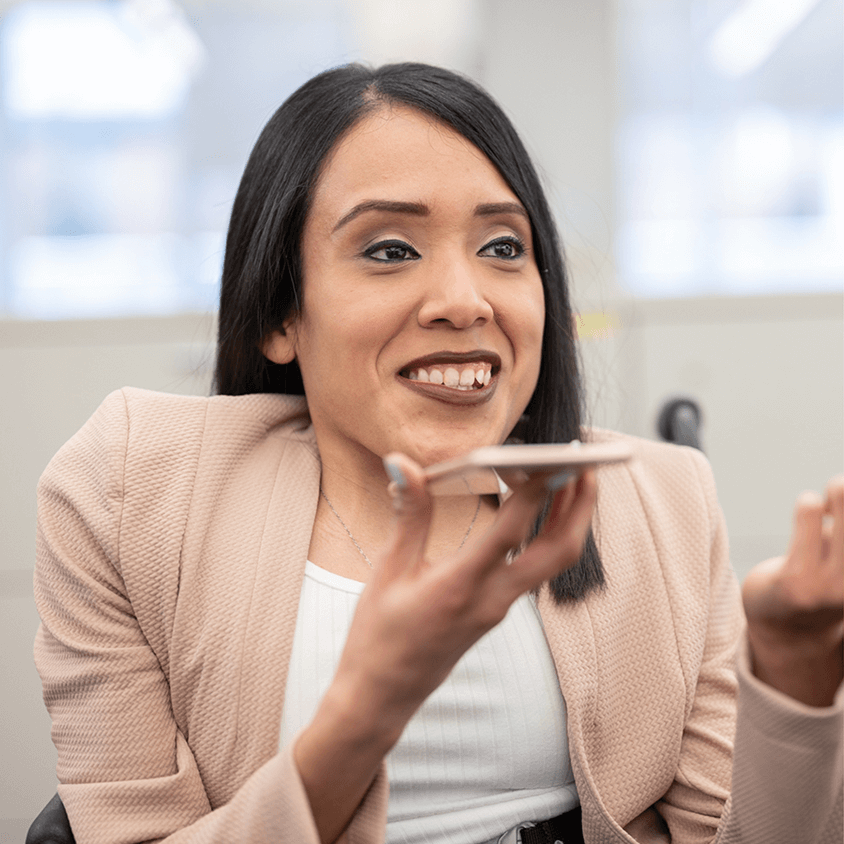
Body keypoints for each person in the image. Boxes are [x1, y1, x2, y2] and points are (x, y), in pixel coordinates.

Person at [33, 62, 842, 844]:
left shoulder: (664, 502)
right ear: (281, 314)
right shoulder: (128, 490)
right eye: (389, 250)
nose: (465, 301)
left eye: (502, 248)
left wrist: (798, 673)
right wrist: (371, 706)